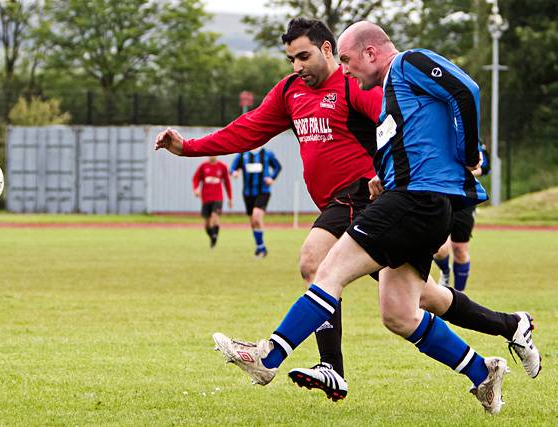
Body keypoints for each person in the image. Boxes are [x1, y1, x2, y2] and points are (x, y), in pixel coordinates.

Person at [155, 18, 539, 405]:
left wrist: (453, 157)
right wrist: (188, 147)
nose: (296, 66)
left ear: (332, 51)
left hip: (372, 198)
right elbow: (248, 128)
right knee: (408, 308)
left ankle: (285, 359)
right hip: (404, 203)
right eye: (290, 59)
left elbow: (429, 109)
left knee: (318, 263)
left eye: (305, 56)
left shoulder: (376, 79)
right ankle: (497, 348)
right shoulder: (295, 91)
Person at [434, 143, 491, 290]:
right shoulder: (435, 133)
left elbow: (485, 166)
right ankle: (445, 272)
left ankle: (459, 295)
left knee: (459, 249)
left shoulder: (469, 135)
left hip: (464, 196)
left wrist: (463, 172)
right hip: (439, 195)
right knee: (439, 250)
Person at [230, 148, 282, 258]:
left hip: (263, 191)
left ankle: (261, 248)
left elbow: (278, 167)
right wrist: (234, 172)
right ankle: (260, 247)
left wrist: (272, 178)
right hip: (248, 193)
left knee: (256, 217)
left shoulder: (267, 153)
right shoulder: (243, 154)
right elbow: (232, 168)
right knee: (253, 222)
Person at [192, 156, 232, 248]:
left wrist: (230, 198)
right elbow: (195, 179)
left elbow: (227, 183)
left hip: (218, 197)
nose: (212, 155)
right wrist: (196, 189)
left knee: (215, 216)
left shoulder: (222, 167)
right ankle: (212, 237)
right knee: (207, 224)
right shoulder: (203, 166)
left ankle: (215, 235)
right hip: (206, 198)